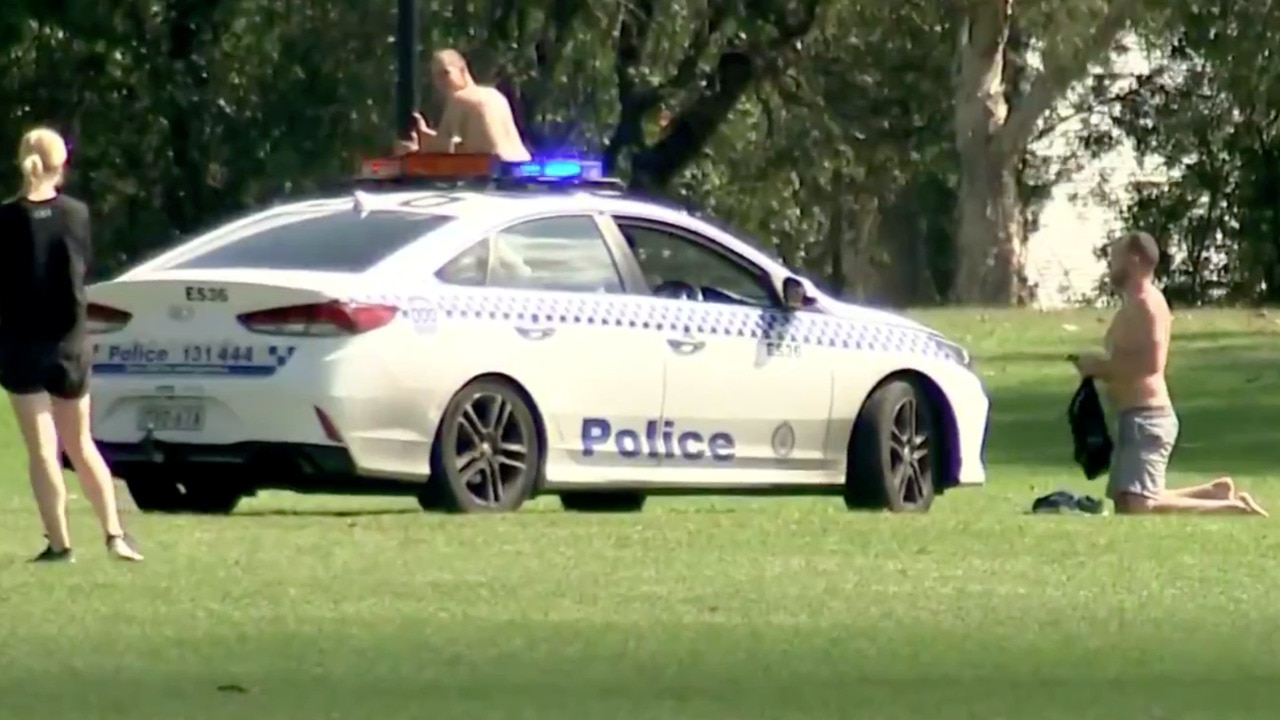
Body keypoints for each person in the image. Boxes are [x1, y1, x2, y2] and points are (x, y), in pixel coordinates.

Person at [0, 127, 145, 561]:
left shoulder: (5, 219)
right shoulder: (77, 214)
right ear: (61, 164)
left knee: (43, 451)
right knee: (81, 444)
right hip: (71, 342)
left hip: (22, 343)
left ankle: (60, 544)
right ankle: (114, 533)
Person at [1071, 230, 1267, 516]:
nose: (1111, 262)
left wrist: (1098, 367)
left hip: (1147, 417)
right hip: (1133, 416)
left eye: (1117, 255)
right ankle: (1213, 492)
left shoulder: (1147, 304)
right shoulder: (1133, 304)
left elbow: (1151, 365)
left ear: (1135, 260)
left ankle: (1232, 508)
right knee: (1129, 499)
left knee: (1138, 504)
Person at [393, 49, 532, 162]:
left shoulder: (459, 98)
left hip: (491, 174)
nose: (440, 82)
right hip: (520, 167)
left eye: (445, 73)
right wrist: (426, 134)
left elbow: (441, 149)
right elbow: (471, 141)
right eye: (435, 77)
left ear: (463, 70)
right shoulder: (494, 95)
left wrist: (414, 150)